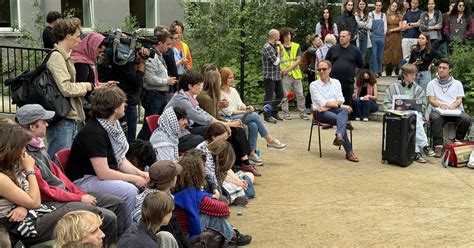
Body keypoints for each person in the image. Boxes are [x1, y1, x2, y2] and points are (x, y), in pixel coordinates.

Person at [16, 104, 125, 245]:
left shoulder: (38, 145)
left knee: (117, 203)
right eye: (44, 121)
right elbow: (45, 190)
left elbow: (59, 175)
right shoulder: (24, 154)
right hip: (52, 201)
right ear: (32, 127)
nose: (47, 124)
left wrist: (79, 193)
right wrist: (79, 198)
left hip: (66, 194)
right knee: (107, 216)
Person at [66, 87, 149, 228]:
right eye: (122, 103)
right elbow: (103, 173)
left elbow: (121, 160)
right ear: (115, 108)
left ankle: (140, 225)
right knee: (130, 191)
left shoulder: (112, 126)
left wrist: (141, 174)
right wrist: (135, 179)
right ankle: (128, 233)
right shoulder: (94, 132)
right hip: (83, 180)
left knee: (143, 183)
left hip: (96, 176)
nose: (125, 105)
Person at [0, 124, 81, 246]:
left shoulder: (12, 165)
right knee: (78, 212)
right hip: (12, 226)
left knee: (87, 213)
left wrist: (24, 206)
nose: (24, 151)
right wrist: (30, 170)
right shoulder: (2, 177)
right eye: (22, 147)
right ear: (12, 148)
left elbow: (27, 191)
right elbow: (35, 202)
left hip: (26, 213)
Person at [173, 150, 252, 246]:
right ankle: (232, 236)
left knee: (211, 211)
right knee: (211, 215)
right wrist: (215, 198)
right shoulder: (194, 195)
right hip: (186, 239)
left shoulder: (177, 188)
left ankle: (232, 234)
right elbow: (224, 210)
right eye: (203, 167)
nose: (205, 170)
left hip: (177, 235)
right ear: (196, 173)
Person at [46, 17, 94, 159]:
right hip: (62, 116)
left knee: (65, 159)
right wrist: (86, 86)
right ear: (68, 36)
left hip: (68, 115)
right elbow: (65, 88)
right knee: (58, 161)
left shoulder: (64, 56)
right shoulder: (57, 58)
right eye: (78, 36)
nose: (80, 40)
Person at [196, 70, 261, 176]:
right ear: (214, 81)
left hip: (215, 122)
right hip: (207, 126)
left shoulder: (211, 95)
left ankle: (246, 159)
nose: (221, 82)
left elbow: (215, 116)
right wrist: (229, 123)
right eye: (219, 80)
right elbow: (212, 119)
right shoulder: (206, 97)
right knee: (240, 127)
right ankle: (245, 161)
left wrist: (228, 121)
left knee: (248, 125)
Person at [219, 67, 287, 157]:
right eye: (230, 78)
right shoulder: (219, 92)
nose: (232, 80)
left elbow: (240, 105)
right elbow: (229, 112)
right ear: (224, 78)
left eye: (233, 77)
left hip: (237, 115)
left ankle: (252, 152)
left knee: (253, 125)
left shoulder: (233, 90)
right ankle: (269, 140)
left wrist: (247, 108)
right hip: (228, 118)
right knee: (254, 116)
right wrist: (245, 112)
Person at [383, 63, 435, 163]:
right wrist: (396, 108)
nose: (414, 77)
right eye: (412, 75)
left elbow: (423, 106)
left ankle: (415, 152)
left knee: (413, 117)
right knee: (413, 118)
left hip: (414, 116)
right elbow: (386, 104)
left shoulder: (418, 89)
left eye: (415, 74)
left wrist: (416, 108)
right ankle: (424, 145)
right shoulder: (393, 88)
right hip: (398, 115)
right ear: (404, 75)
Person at [131, 160, 189, 248]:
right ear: (171, 180)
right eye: (175, 175)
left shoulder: (147, 193)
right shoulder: (161, 204)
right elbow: (175, 233)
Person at [310, 60, 359, 162]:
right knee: (342, 119)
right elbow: (321, 102)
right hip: (321, 113)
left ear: (330, 70)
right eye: (319, 69)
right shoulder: (314, 85)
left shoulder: (336, 82)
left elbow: (341, 98)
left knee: (343, 112)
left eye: (324, 69)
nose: (321, 71)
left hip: (334, 110)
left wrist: (331, 105)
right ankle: (349, 152)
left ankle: (339, 135)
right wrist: (340, 105)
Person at [426, 58, 471, 158]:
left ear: (450, 70)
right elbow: (431, 100)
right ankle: (438, 146)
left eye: (444, 68)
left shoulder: (457, 84)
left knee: (466, 119)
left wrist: (454, 105)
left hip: (454, 111)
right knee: (435, 118)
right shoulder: (432, 83)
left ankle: (457, 142)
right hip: (439, 111)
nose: (441, 70)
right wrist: (440, 105)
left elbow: (459, 99)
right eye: (440, 67)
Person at [138, 31, 176, 141]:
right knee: (148, 126)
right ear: (159, 43)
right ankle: (138, 149)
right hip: (153, 95)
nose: (169, 47)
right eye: (167, 44)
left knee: (156, 125)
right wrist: (166, 81)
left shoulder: (159, 55)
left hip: (160, 95)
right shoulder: (151, 56)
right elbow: (149, 78)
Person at [325, 30, 364, 106]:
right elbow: (326, 64)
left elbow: (361, 66)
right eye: (340, 36)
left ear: (349, 37)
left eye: (343, 36)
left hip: (348, 82)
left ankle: (346, 117)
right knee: (333, 102)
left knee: (347, 104)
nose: (341, 38)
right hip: (333, 82)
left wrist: (355, 75)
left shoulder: (355, 50)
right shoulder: (333, 49)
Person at [278, 27, 308, 120]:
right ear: (282, 37)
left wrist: (288, 69)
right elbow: (278, 60)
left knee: (300, 93)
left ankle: (303, 112)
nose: (288, 36)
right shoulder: (279, 46)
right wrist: (284, 71)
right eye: (286, 35)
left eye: (289, 34)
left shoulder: (296, 46)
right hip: (285, 75)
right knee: (285, 94)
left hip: (295, 73)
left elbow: (298, 60)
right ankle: (286, 113)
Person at [261, 29, 284, 124]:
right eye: (278, 35)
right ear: (274, 36)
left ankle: (274, 112)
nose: (279, 37)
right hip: (270, 76)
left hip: (277, 75)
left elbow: (281, 57)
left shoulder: (274, 46)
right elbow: (276, 62)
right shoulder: (267, 47)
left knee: (280, 95)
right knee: (269, 97)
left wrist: (280, 48)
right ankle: (267, 115)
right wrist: (278, 51)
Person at [383, 1, 403, 77]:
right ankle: (384, 70)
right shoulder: (385, 15)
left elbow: (400, 27)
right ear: (390, 6)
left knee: (396, 52)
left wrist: (391, 30)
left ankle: (393, 71)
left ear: (397, 7)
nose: (394, 7)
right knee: (386, 52)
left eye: (395, 6)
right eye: (393, 6)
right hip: (387, 36)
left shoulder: (399, 16)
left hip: (397, 36)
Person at [302, 34, 322, 112]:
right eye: (318, 40)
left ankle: (313, 105)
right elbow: (318, 52)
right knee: (312, 88)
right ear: (313, 41)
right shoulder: (310, 49)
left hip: (318, 71)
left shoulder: (318, 48)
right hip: (312, 71)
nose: (320, 41)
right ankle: (307, 106)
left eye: (320, 39)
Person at [370, 1, 387, 77]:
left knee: (380, 55)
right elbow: (369, 25)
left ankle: (379, 71)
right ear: (375, 6)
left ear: (382, 6)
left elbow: (385, 26)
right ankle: (374, 71)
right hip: (373, 36)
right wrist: (371, 34)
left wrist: (384, 34)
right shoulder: (371, 14)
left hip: (381, 36)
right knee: (373, 54)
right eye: (377, 5)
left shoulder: (383, 15)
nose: (378, 7)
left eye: (380, 5)